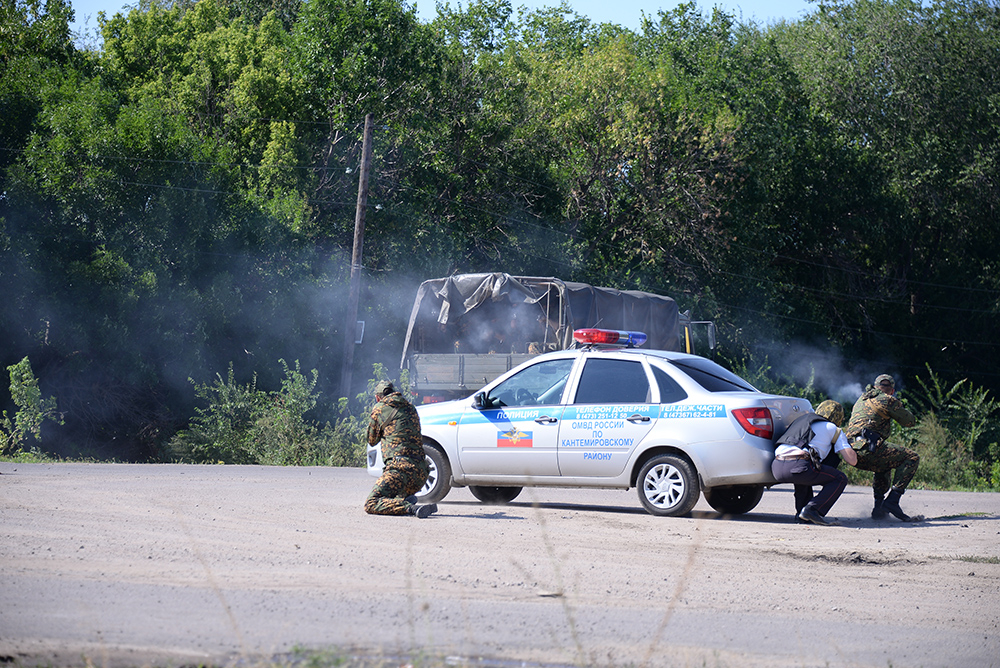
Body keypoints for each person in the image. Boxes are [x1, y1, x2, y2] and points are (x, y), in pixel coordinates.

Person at [845, 374, 922, 522]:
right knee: (912, 457)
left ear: (875, 387)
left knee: (884, 463)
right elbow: (910, 421)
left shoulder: (861, 399)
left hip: (850, 451)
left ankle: (879, 508)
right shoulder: (888, 399)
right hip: (868, 448)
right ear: (892, 390)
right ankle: (892, 501)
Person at [772, 400, 858, 526]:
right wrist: (849, 444)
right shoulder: (832, 428)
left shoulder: (800, 421)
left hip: (777, 467)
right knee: (840, 479)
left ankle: (802, 514)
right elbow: (852, 460)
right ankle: (813, 510)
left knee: (803, 474)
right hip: (799, 466)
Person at [364, 380, 437, 518]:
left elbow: (371, 440)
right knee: (394, 489)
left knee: (371, 503)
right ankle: (405, 499)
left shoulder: (380, 408)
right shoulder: (410, 407)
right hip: (421, 474)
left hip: (400, 470)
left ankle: (411, 508)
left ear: (378, 397)